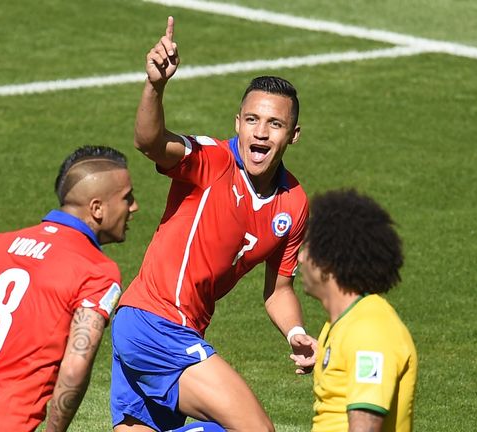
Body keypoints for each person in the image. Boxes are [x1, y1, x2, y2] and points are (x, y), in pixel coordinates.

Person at [110, 16, 317, 432]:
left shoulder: (293, 203)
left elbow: (278, 289)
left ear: (293, 135)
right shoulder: (212, 161)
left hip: (164, 329)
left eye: (274, 124)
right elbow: (150, 142)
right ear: (237, 122)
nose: (261, 133)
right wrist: (155, 85)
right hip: (156, 323)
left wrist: (295, 331)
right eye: (252, 120)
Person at [0, 146, 139, 432]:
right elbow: (74, 368)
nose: (134, 207)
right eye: (127, 198)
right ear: (97, 208)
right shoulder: (96, 271)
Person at [296, 189, 417, 432]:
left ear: (327, 263)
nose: (299, 258)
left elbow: (366, 427)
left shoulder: (370, 330)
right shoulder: (340, 325)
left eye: (307, 248)